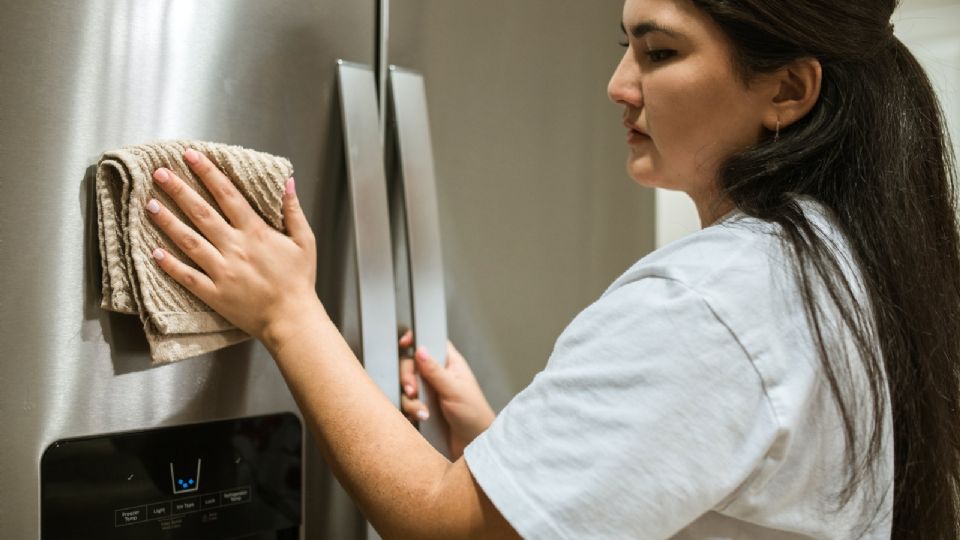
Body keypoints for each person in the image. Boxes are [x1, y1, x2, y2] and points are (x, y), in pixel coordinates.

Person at [141, 0, 960, 537]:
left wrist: (290, 312)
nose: (617, 85)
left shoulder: (713, 301)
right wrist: (509, 451)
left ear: (788, 90)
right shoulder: (835, 265)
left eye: (660, 52)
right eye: (624, 46)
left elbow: (446, 530)